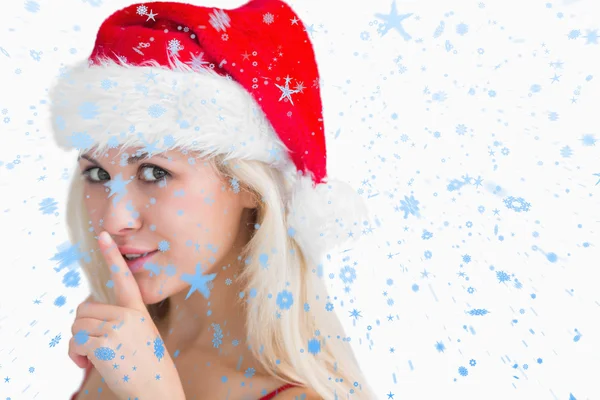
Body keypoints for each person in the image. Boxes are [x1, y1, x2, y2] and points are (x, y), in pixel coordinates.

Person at [49, 0, 375, 399]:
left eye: (154, 172)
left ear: (249, 187)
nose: (115, 220)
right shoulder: (122, 346)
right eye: (98, 174)